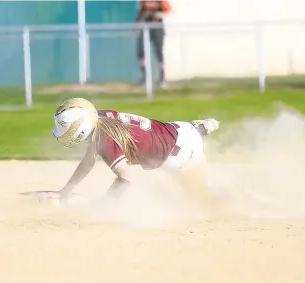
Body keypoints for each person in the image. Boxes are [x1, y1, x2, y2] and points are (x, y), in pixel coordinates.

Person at [51, 98, 223, 213]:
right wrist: (65, 191)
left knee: (205, 202)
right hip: (177, 130)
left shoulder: (106, 141)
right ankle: (199, 128)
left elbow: (128, 176)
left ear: (81, 129)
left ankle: (244, 197)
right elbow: (88, 163)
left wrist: (107, 203)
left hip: (182, 156)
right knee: (160, 136)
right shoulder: (100, 118)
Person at [135, 0, 171, 88]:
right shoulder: (143, 2)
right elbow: (141, 12)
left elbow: (168, 10)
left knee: (159, 52)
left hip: (157, 27)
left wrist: (159, 14)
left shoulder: (159, 1)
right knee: (141, 52)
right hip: (146, 27)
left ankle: (162, 78)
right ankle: (145, 77)